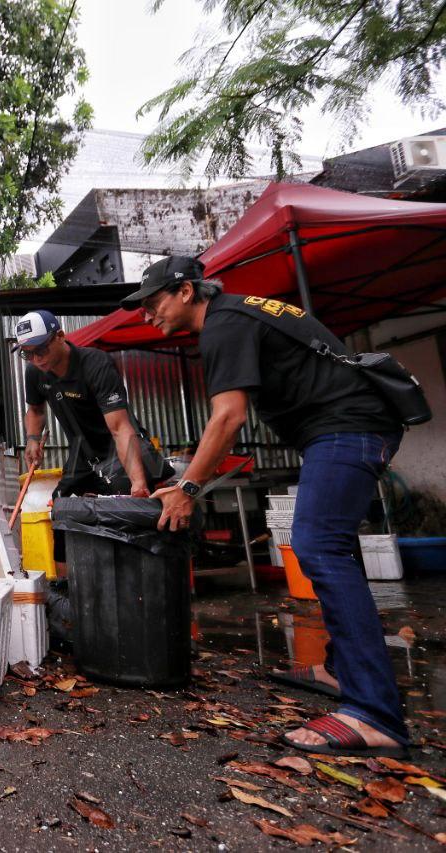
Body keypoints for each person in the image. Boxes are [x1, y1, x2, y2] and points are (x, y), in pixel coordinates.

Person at [124, 255, 409, 759]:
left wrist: (188, 488)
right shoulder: (239, 313)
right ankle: (339, 670)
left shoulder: (223, 325)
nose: (148, 316)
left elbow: (229, 416)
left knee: (319, 546)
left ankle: (373, 713)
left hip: (349, 427)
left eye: (153, 303)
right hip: (349, 425)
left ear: (186, 292)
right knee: (328, 545)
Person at [17, 309, 171, 573]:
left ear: (60, 337)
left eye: (39, 349)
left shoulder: (95, 364)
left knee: (127, 516)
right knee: (61, 509)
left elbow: (121, 428)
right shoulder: (35, 372)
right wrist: (32, 439)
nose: (35, 359)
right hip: (82, 453)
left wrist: (137, 482)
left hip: (118, 450)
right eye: (26, 354)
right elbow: (36, 409)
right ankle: (67, 591)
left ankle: (141, 583)